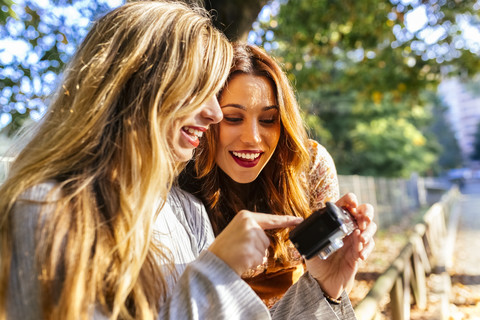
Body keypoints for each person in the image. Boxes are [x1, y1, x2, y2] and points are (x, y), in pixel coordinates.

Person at [0, 2, 321, 319]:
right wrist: (213, 273)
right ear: (139, 86)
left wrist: (325, 288)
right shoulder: (44, 210)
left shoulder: (188, 212)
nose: (213, 113)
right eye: (199, 89)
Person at [179, 42, 377, 309]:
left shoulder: (311, 165)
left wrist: (334, 281)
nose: (252, 138)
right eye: (233, 118)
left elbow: (331, 287)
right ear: (209, 117)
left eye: (268, 120)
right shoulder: (181, 180)